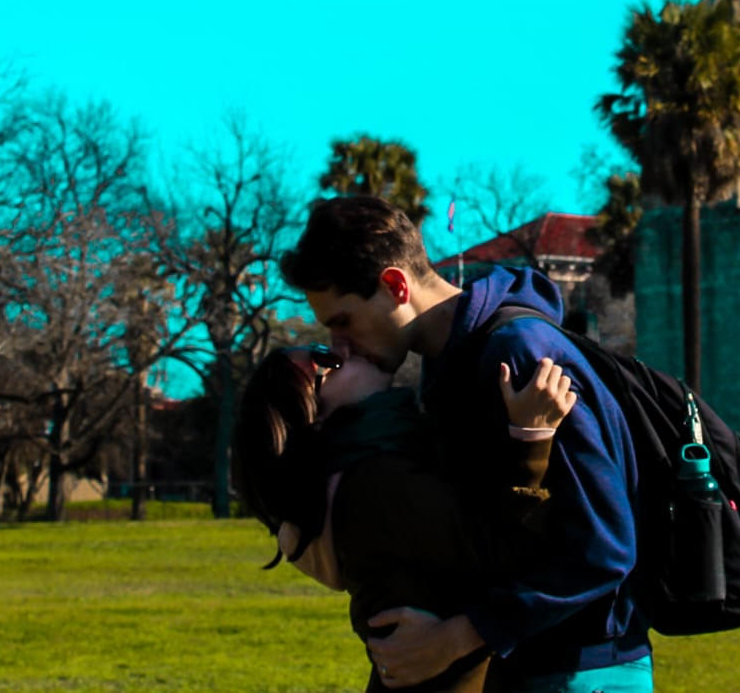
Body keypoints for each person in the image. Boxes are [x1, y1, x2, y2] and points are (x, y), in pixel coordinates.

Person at [280, 195, 652, 693]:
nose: (339, 346)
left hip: (584, 667)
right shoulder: (449, 360)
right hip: (523, 662)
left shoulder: (520, 353)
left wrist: (456, 638)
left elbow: (605, 546)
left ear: (395, 286)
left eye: (343, 321)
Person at [234, 341, 578, 693]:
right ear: (314, 417)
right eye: (326, 360)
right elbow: (511, 554)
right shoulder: (371, 486)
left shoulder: (370, 472)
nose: (344, 348)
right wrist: (532, 439)